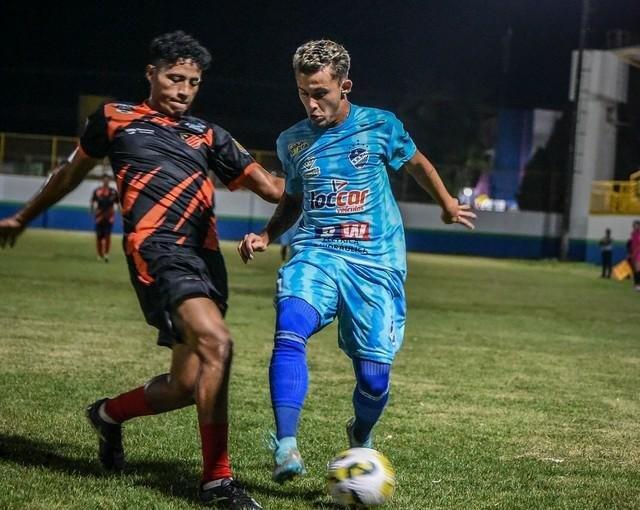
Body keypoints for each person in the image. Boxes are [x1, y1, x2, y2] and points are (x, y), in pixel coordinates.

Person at [0, 30, 284, 509]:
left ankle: (108, 415)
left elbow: (273, 189)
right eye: (175, 78)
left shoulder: (208, 134)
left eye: (193, 82)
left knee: (188, 385)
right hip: (158, 253)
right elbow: (68, 173)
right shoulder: (115, 119)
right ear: (151, 74)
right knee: (219, 342)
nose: (184, 89)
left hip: (206, 261)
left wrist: (317, 171)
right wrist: (23, 216)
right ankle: (217, 482)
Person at [237, 39, 476, 483]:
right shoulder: (291, 142)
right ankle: (286, 444)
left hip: (375, 262)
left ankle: (360, 433)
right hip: (316, 251)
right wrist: (268, 234)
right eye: (303, 93)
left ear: (345, 86)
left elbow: (418, 163)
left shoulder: (380, 126)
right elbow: (293, 198)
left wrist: (446, 203)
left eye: (320, 93)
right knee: (290, 326)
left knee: (374, 379)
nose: (311, 104)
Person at [90, 174, 119, 262]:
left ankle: (106, 254)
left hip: (109, 217)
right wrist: (92, 211)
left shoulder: (113, 192)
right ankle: (99, 255)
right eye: (104, 180)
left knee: (107, 236)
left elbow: (117, 203)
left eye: (107, 180)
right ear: (102, 181)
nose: (106, 181)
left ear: (109, 181)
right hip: (99, 217)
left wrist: (118, 212)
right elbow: (92, 201)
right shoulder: (97, 191)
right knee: (99, 236)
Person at [630, 220, 640, 290]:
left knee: (638, 269)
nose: (634, 226)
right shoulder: (633, 233)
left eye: (636, 225)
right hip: (634, 253)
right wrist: (631, 253)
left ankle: (638, 285)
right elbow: (632, 244)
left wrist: (635, 252)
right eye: (634, 225)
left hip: (638, 253)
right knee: (634, 269)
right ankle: (636, 284)